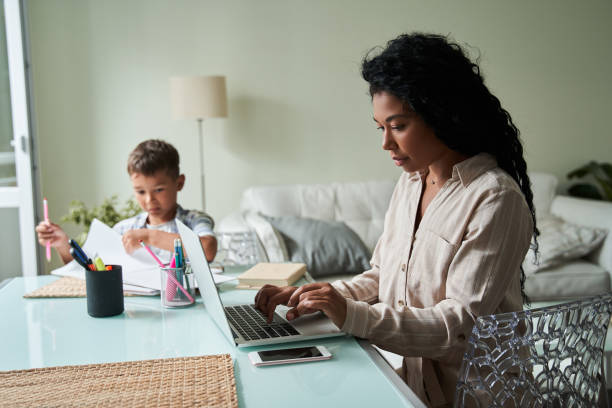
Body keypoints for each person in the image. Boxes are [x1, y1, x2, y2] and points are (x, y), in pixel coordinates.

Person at [254, 33, 538, 407]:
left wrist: (352, 315)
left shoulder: (494, 198)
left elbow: (459, 326)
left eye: (398, 126)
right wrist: (320, 297)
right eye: (380, 127)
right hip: (409, 384)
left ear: (442, 114)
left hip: (472, 395)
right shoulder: (410, 183)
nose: (385, 144)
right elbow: (383, 275)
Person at [36, 139, 217, 264]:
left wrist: (148, 236)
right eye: (140, 191)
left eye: (159, 190)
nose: (149, 199)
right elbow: (90, 268)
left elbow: (208, 249)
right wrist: (62, 244)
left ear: (179, 183)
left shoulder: (194, 220)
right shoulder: (125, 230)